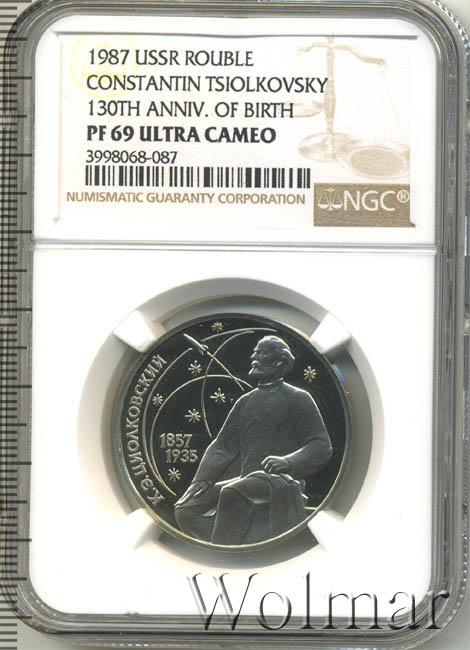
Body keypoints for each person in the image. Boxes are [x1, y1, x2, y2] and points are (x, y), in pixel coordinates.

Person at [174, 335, 333, 545]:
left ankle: (227, 552)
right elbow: (222, 447)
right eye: (255, 352)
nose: (253, 357)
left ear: (279, 362)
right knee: (186, 507)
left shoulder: (298, 398)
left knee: (232, 492)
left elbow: (321, 445)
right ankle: (221, 545)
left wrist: (288, 462)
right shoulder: (245, 402)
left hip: (281, 481)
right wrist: (201, 480)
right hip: (246, 480)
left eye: (262, 353)